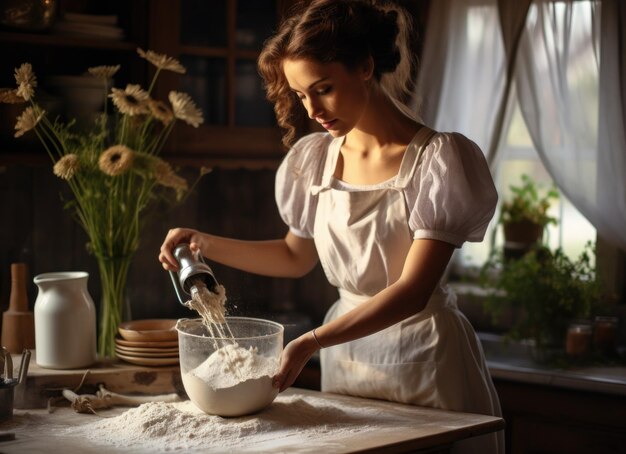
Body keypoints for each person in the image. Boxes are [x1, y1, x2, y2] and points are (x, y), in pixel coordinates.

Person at [160, 1, 503, 452]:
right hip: (349, 359)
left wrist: (310, 342)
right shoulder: (315, 159)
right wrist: (202, 242)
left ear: (365, 66)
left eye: (323, 88)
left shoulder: (438, 160)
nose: (312, 109)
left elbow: (413, 290)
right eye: (301, 95)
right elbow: (294, 256)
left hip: (424, 355)